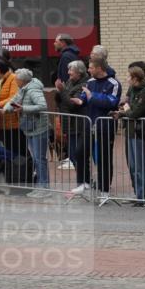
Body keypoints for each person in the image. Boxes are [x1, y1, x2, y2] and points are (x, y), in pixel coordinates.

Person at [77, 55, 122, 204]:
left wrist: (92, 96)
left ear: (99, 68)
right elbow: (84, 97)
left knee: (103, 158)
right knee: (81, 152)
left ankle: (104, 190)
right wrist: (79, 100)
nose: (88, 70)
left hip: (104, 125)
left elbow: (111, 102)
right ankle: (84, 183)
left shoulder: (113, 83)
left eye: (90, 67)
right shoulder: (89, 82)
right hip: (89, 124)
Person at [3, 68, 51, 199]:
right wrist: (6, 108)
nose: (15, 81)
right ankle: (41, 186)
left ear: (22, 80)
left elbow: (42, 106)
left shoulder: (33, 89)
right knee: (36, 158)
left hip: (39, 128)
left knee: (39, 158)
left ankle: (44, 187)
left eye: (16, 79)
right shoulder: (23, 88)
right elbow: (14, 99)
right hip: (31, 128)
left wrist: (24, 108)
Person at [119, 65, 145, 205]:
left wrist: (126, 109)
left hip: (141, 132)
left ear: (135, 78)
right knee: (134, 166)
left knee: (143, 166)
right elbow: (129, 108)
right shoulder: (134, 90)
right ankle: (140, 195)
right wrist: (125, 110)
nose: (127, 79)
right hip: (131, 131)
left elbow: (135, 113)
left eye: (129, 76)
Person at [55, 60, 91, 196]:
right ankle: (82, 182)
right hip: (68, 124)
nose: (68, 73)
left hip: (78, 125)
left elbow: (72, 104)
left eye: (71, 71)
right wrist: (60, 92)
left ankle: (84, 182)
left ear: (79, 72)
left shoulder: (84, 85)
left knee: (78, 155)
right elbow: (62, 100)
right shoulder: (70, 83)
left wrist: (63, 91)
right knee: (72, 154)